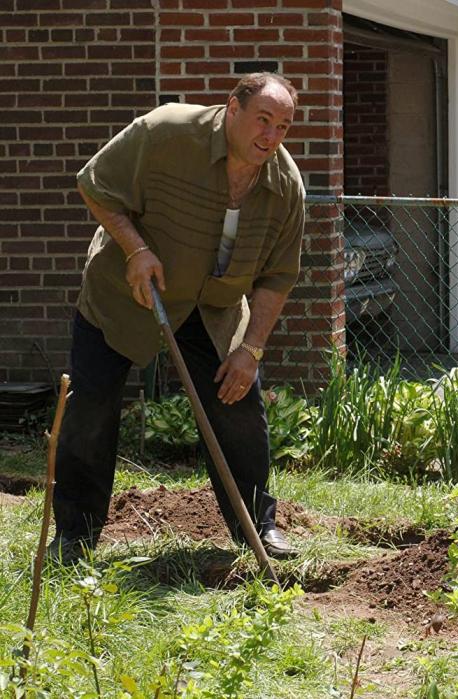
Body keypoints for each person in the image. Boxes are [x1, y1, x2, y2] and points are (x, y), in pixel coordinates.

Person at [49, 73, 306, 563]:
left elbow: (277, 277)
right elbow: (94, 183)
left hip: (213, 307)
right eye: (263, 121)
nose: (270, 137)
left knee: (239, 409)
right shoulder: (166, 132)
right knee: (92, 412)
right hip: (130, 294)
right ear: (233, 109)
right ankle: (75, 537)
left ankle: (257, 527)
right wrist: (136, 249)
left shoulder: (283, 186)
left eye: (283, 127)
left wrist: (250, 351)